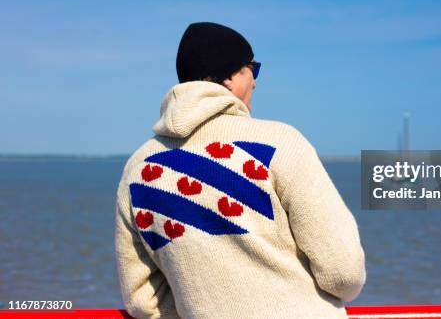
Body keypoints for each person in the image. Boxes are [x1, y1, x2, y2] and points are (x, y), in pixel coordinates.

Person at [114, 22, 366, 319]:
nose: (256, 83)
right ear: (231, 78)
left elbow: (142, 300)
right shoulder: (280, 142)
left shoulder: (138, 167)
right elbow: (342, 272)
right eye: (252, 69)